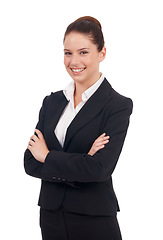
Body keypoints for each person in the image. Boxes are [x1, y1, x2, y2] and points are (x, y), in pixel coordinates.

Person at [24, 16, 133, 240]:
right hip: (51, 216)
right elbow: (30, 162)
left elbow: (100, 169)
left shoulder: (117, 105)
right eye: (68, 53)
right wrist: (83, 161)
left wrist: (48, 156)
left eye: (83, 52)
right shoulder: (51, 102)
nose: (74, 61)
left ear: (102, 53)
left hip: (94, 218)